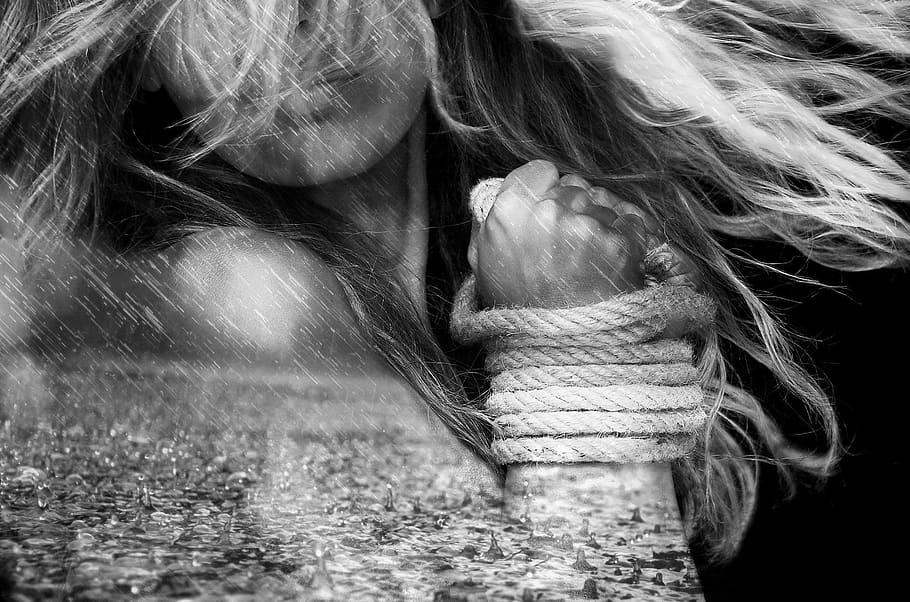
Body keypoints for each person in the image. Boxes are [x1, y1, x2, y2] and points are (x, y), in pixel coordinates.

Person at [2, 0, 909, 599]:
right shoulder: (234, 296)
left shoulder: (486, 261)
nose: (300, 25)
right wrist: (575, 347)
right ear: (143, 54)